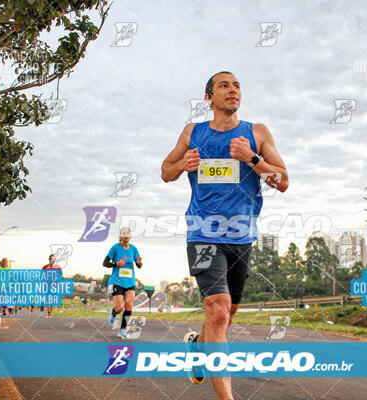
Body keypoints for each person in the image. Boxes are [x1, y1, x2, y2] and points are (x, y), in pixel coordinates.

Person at [161, 71, 288, 398]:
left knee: (224, 317)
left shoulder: (256, 133)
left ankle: (197, 348)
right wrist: (182, 165)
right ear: (209, 98)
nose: (233, 90)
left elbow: (283, 181)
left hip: (241, 238)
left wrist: (253, 159)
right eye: (224, 86)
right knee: (217, 309)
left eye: (237, 86)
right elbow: (165, 171)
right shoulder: (193, 132)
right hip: (202, 233)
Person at [102, 227, 142, 339]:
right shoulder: (115, 248)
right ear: (120, 237)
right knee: (119, 307)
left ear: (130, 237)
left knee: (129, 305)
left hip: (130, 281)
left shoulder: (134, 249)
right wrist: (116, 264)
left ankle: (123, 330)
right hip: (117, 281)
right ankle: (114, 313)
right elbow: (105, 263)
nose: (125, 236)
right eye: (123, 234)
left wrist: (139, 263)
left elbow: (138, 265)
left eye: (127, 234)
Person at [42, 254, 62, 319]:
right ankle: (49, 313)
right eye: (51, 259)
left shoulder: (58, 267)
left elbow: (60, 276)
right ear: (49, 259)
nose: (52, 260)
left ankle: (51, 308)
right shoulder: (45, 267)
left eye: (53, 259)